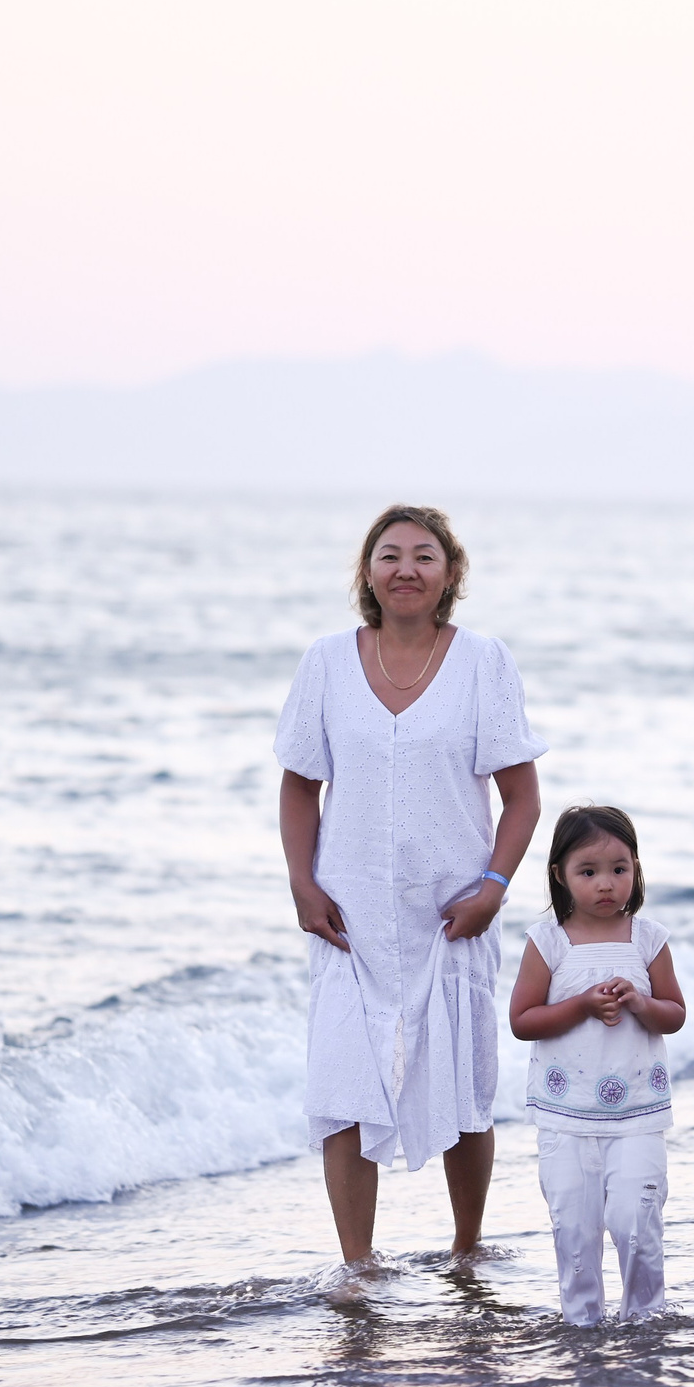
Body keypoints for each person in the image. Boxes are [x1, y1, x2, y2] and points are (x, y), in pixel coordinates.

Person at [274, 505, 546, 1265]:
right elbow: (299, 787)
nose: (405, 569)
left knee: (463, 1089)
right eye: (389, 555)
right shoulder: (327, 661)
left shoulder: (482, 661)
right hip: (347, 915)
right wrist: (302, 883)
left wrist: (493, 884)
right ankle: (357, 1265)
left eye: (424, 556)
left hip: (449, 914)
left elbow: (522, 797)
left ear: (450, 573)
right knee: (344, 1090)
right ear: (367, 572)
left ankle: (467, 1249)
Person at [508, 804, 686, 1324]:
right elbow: (523, 1019)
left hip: (637, 1116)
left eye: (619, 869)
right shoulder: (548, 942)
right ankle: (581, 1324)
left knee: (636, 1221)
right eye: (589, 872)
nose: (606, 884)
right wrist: (582, 1005)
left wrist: (640, 1003)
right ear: (560, 876)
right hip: (565, 1119)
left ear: (636, 868)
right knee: (575, 1231)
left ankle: (645, 1319)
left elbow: (673, 1015)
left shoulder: (648, 939)